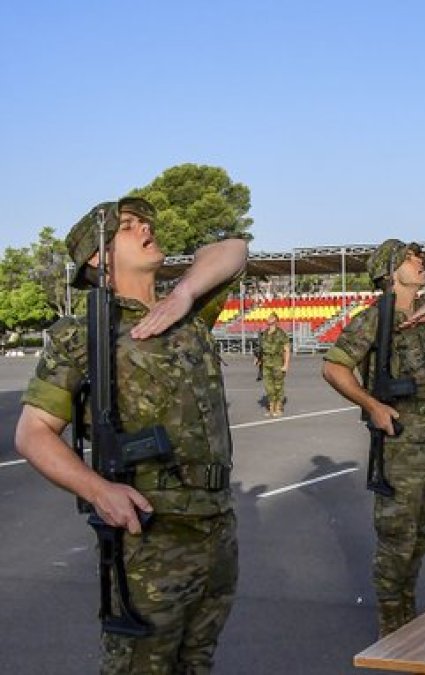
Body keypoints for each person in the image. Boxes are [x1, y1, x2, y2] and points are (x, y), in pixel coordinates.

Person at [14, 198, 247, 673]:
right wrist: (98, 490)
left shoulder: (187, 310)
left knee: (198, 663)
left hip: (215, 527)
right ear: (98, 257)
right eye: (127, 226)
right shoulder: (82, 336)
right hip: (148, 536)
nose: (145, 227)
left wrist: (182, 296)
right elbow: (33, 433)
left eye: (145, 221)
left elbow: (233, 247)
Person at [321, 239, 425, 635]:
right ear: (391, 273)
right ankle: (391, 625)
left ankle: (408, 611)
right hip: (399, 435)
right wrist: (372, 406)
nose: (419, 261)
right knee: (397, 537)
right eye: (409, 258)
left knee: (420, 534)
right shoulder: (374, 318)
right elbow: (335, 368)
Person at [259, 312, 291, 417]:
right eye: (268, 317)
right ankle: (271, 408)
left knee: (278, 386)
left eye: (271, 317)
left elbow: (286, 350)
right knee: (268, 386)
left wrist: (286, 364)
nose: (269, 318)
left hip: (277, 362)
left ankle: (278, 407)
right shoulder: (264, 333)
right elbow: (261, 349)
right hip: (266, 362)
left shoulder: (281, 333)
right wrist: (258, 359)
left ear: (276, 320)